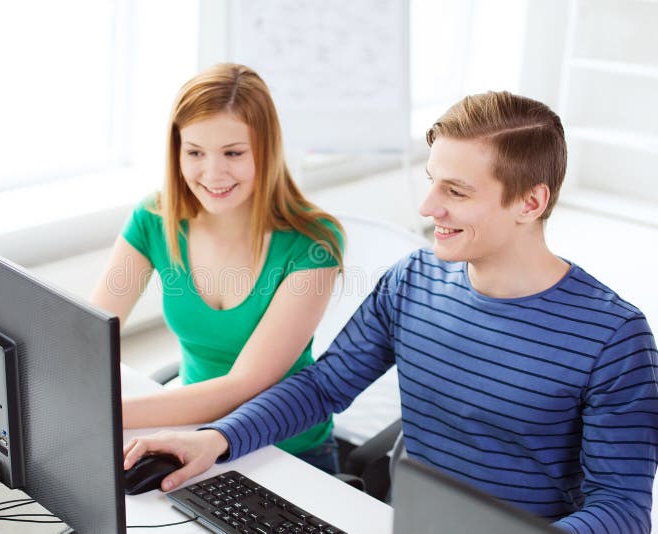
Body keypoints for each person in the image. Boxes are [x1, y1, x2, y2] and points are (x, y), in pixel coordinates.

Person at [122, 91, 658, 533]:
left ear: (531, 203)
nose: (428, 208)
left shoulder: (613, 337)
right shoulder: (413, 279)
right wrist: (213, 439)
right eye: (431, 181)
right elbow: (322, 386)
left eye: (457, 191)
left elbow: (621, 509)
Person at [90, 63, 345, 473]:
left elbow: (243, 385)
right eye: (194, 153)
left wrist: (107, 414)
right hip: (190, 438)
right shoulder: (156, 218)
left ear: (267, 149)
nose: (212, 173)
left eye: (233, 153)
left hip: (288, 454)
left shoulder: (313, 243)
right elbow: (89, 333)